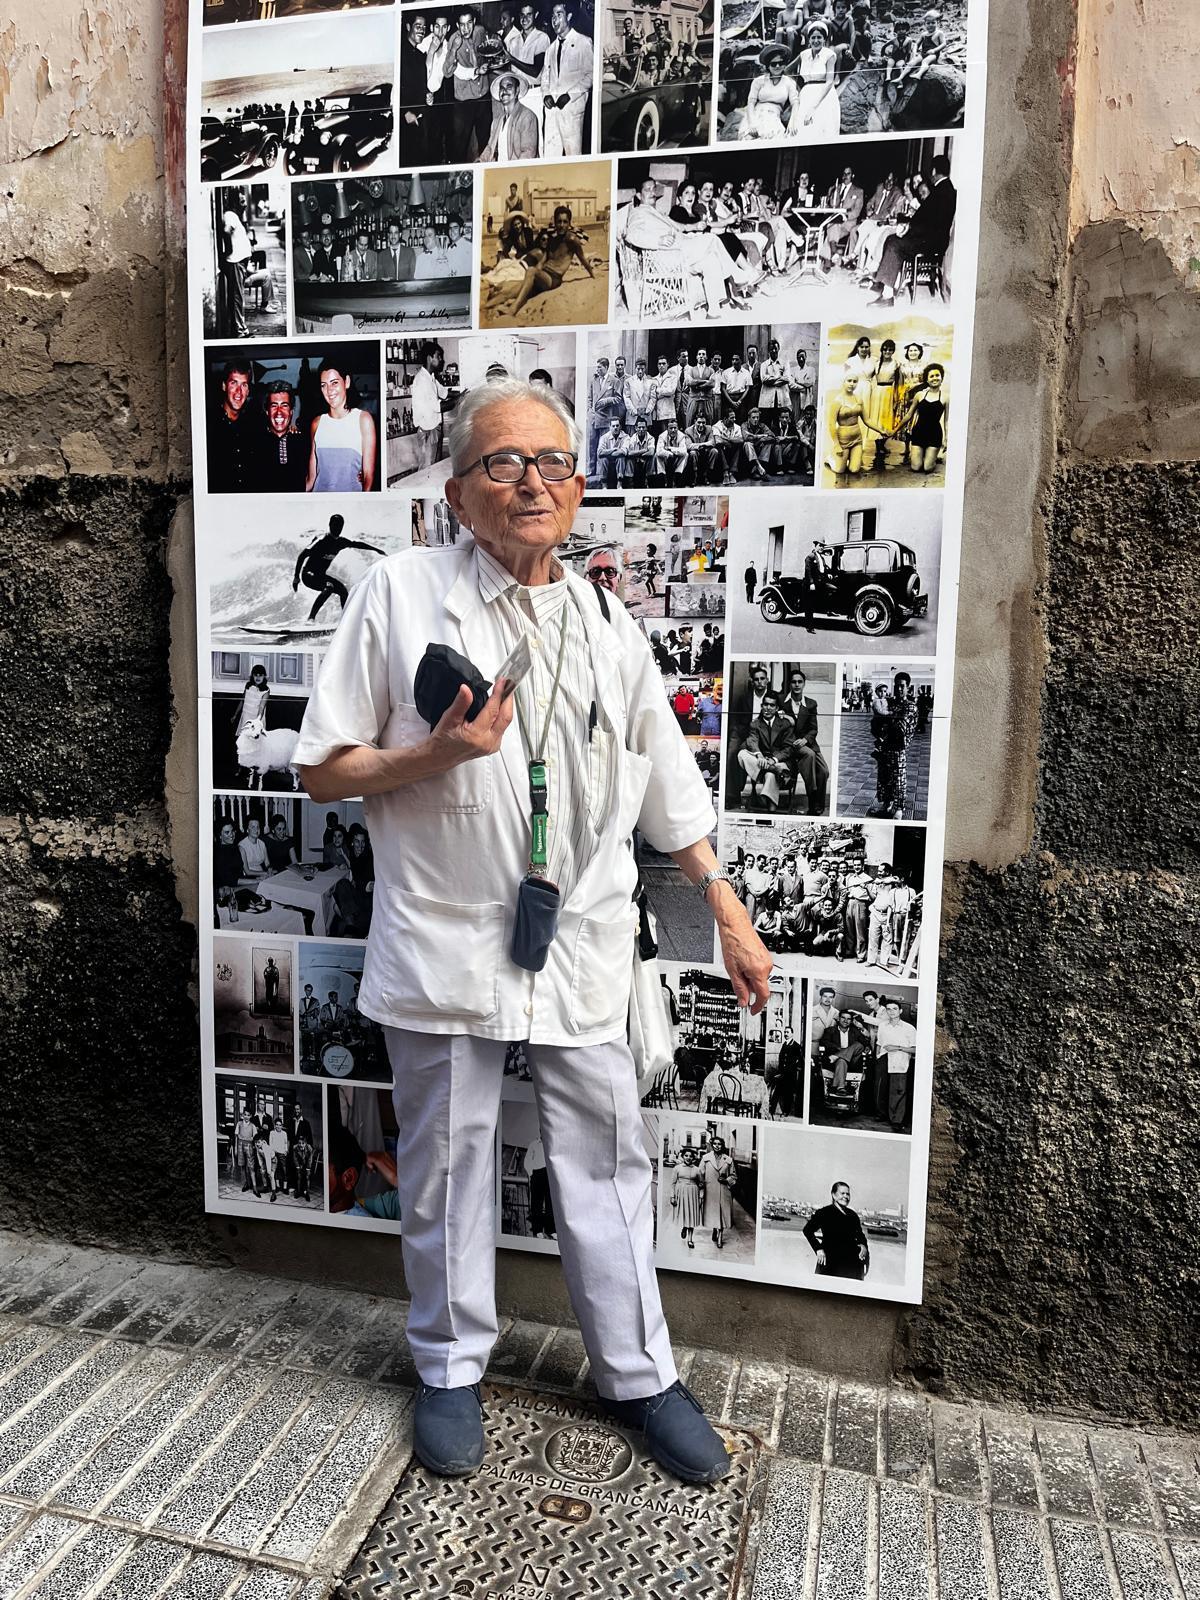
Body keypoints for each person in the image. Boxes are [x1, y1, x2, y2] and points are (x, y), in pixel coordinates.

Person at [293, 376, 772, 1486]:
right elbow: (321, 770)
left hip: (585, 935)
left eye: (551, 462)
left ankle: (640, 1372)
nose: (531, 483)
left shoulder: (608, 620)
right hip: (447, 932)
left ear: (579, 484)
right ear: (459, 492)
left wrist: (728, 911)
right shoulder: (404, 597)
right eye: (503, 464)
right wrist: (435, 756)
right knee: (446, 1159)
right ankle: (450, 1366)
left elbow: (668, 784)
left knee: (607, 1161)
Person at [869, 153, 957, 304]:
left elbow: (930, 223)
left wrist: (908, 230)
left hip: (930, 241)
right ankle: (886, 281)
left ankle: (887, 296)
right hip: (930, 238)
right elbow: (926, 219)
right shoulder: (945, 189)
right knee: (892, 238)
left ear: (934, 171)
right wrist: (907, 224)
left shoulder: (941, 192)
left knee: (894, 243)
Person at [292, 515, 385, 623]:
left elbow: (357, 544)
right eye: (335, 525)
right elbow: (302, 555)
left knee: (343, 591)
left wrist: (376, 549)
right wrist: (296, 577)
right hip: (308, 575)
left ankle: (346, 621)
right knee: (329, 587)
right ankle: (311, 619)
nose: (338, 529)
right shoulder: (321, 540)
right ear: (330, 525)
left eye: (340, 526)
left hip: (320, 576)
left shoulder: (341, 542)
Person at [306, 361, 377, 494]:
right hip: (319, 503)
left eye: (334, 383)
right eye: (323, 385)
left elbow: (368, 476)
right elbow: (311, 478)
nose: (329, 390)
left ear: (347, 382)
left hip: (351, 505)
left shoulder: (363, 420)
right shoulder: (317, 423)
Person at [540, 3, 593, 157]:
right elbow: (545, 77)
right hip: (552, 113)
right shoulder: (550, 49)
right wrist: (546, 95)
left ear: (568, 16)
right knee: (550, 156)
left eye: (559, 14)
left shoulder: (584, 42)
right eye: (552, 15)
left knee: (573, 156)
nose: (554, 20)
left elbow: (590, 75)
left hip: (572, 111)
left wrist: (570, 95)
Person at [250, 380, 308, 492]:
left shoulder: (303, 442)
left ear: (291, 411)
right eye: (274, 406)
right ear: (267, 411)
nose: (279, 412)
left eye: (284, 406)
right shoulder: (254, 445)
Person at [803, 1181, 869, 1279]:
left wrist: (863, 1245)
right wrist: (818, 1249)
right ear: (833, 1195)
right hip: (830, 1263)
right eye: (842, 1193)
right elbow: (807, 1230)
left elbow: (860, 1235)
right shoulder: (824, 1212)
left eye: (848, 1194)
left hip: (852, 1265)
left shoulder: (853, 1215)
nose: (845, 1196)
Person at [208, 360, 254, 493]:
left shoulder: (255, 425)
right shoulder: (208, 424)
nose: (239, 392)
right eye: (234, 383)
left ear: (248, 390)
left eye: (244, 385)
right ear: (224, 386)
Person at [875, 996, 917, 1130]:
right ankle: (882, 1114)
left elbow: (915, 1049)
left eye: (894, 1009)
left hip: (900, 1059)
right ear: (886, 1011)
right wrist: (877, 1056)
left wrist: (897, 1047)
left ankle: (896, 1121)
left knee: (898, 1091)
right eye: (888, 1009)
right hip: (884, 1058)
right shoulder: (882, 1026)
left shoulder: (909, 1028)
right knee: (880, 1088)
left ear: (900, 1011)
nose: (891, 1011)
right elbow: (879, 1043)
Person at [744, 44, 801, 140]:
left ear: (784, 64)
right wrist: (752, 122)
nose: (777, 66)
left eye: (780, 63)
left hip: (774, 116)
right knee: (750, 138)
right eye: (773, 64)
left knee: (776, 138)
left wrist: (792, 122)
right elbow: (751, 102)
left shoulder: (789, 82)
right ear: (768, 66)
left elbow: (795, 103)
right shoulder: (759, 81)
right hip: (757, 114)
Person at [481, 72, 540, 160]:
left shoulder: (527, 116)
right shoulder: (497, 120)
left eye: (509, 86)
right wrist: (481, 161)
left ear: (517, 90)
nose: (504, 91)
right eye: (501, 88)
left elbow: (528, 153)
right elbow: (490, 147)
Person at [218, 195, 254, 338]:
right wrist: (229, 251)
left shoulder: (235, 215)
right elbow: (227, 231)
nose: (244, 204)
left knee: (238, 296)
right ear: (235, 203)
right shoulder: (230, 215)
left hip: (239, 262)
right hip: (235, 262)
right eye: (242, 201)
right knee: (237, 297)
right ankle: (239, 331)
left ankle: (240, 328)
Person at [411, 343, 449, 473]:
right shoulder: (422, 380)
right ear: (429, 358)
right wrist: (459, 400)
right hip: (427, 431)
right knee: (426, 471)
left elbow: (445, 393)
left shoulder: (431, 378)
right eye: (438, 356)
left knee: (434, 468)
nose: (441, 359)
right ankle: (420, 493)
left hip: (434, 429)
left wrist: (464, 392)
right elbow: (438, 407)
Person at [700, 1137, 736, 1249]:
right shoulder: (705, 1158)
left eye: (719, 1144)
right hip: (710, 1191)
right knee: (714, 1213)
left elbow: (734, 1176)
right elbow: (700, 1173)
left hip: (724, 1191)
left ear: (723, 1145)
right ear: (711, 1145)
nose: (717, 1146)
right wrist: (701, 1187)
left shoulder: (728, 1160)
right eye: (715, 1144)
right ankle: (715, 1229)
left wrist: (726, 1180)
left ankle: (720, 1237)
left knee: (722, 1214)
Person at [670, 1146, 704, 1251]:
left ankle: (690, 1239)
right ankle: (684, 1227)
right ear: (683, 1156)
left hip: (693, 1193)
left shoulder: (697, 1170)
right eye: (686, 1155)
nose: (688, 1158)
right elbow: (672, 1183)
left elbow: (702, 1184)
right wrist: (672, 1196)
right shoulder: (677, 1168)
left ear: (693, 1157)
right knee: (684, 1214)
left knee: (692, 1216)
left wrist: (701, 1197)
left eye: (690, 1156)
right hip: (681, 1193)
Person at [525, 1134, 555, 1238]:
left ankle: (550, 1230)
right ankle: (537, 1230)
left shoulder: (552, 1144)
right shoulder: (534, 1144)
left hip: (550, 1174)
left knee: (550, 1203)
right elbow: (527, 1161)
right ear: (540, 1131)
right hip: (537, 1174)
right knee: (536, 1203)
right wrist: (531, 1174)